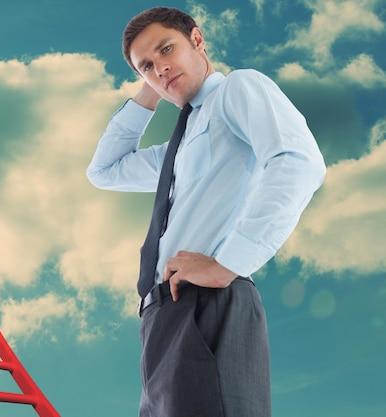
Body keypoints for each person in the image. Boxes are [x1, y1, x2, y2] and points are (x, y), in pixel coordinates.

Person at [86, 6, 327, 417]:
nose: (160, 67)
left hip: (207, 305)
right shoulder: (180, 143)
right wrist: (154, 86)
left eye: (167, 50)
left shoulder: (237, 90)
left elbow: (297, 160)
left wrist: (228, 263)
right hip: (162, 320)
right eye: (147, 65)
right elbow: (104, 171)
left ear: (197, 40)